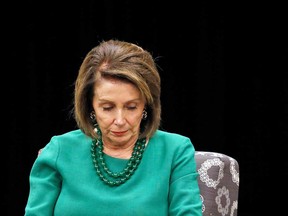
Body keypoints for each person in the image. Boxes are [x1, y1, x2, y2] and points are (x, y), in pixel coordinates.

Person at [24, 39, 203, 216]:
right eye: (107, 107)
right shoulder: (59, 150)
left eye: (131, 107)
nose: (119, 120)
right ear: (90, 106)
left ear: (146, 106)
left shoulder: (174, 151)